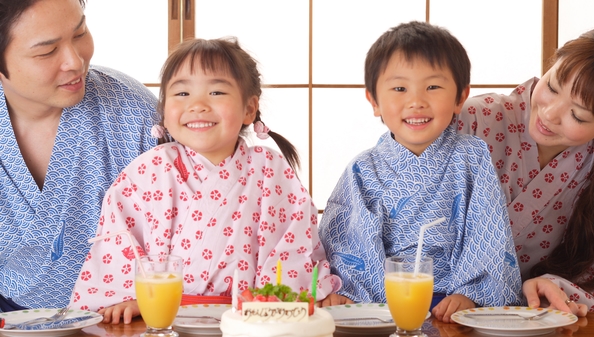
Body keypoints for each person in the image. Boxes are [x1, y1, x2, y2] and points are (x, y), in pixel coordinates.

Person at [70, 37, 341, 324]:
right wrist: (130, 295)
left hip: (248, 318)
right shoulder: (148, 169)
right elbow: (118, 238)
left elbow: (292, 242)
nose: (197, 105)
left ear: (249, 109)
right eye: (182, 94)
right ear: (163, 109)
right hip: (161, 314)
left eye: (216, 92)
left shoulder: (270, 170)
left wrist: (274, 302)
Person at [318, 21, 522, 323]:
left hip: (450, 306)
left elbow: (487, 233)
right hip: (382, 304)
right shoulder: (363, 168)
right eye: (399, 88)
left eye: (433, 87)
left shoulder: (472, 157)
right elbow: (349, 243)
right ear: (373, 101)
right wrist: (355, 294)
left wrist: (472, 295)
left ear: (460, 97)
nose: (416, 101)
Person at [0, 0, 158, 312]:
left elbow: (194, 230)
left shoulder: (134, 112)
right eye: (47, 51)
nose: (75, 61)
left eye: (80, 33)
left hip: (128, 315)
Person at [453, 28, 594, 316]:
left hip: (522, 320)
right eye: (553, 87)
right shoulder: (474, 119)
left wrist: (555, 287)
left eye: (578, 114)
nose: (549, 113)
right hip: (427, 306)